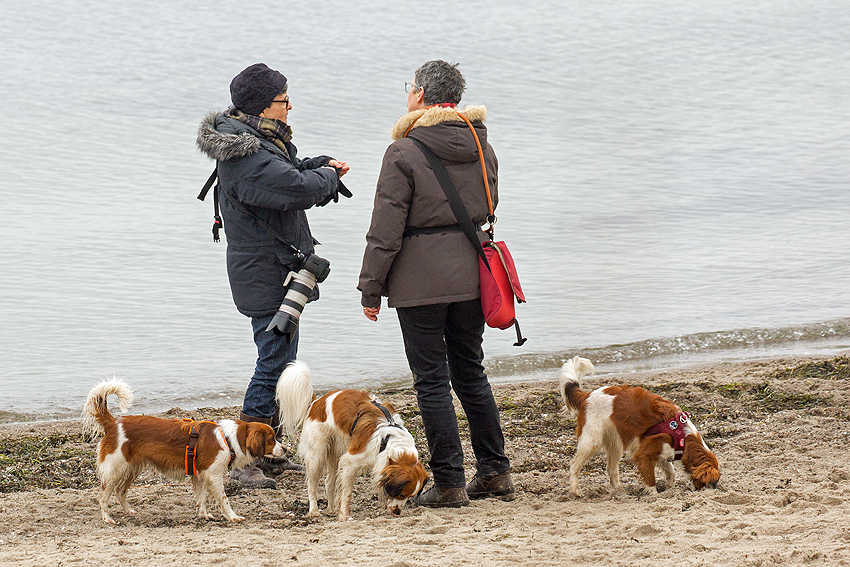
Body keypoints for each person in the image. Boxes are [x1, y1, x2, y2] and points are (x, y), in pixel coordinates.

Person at [358, 60, 514, 507]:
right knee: (470, 371)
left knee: (431, 381)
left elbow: (385, 227)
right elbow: (490, 203)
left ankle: (449, 483)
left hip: (419, 281)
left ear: (421, 95)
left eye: (410, 87)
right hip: (472, 274)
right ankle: (495, 471)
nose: (407, 93)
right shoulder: (482, 145)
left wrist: (371, 288)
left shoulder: (403, 151)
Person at [197, 63, 350, 488]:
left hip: (271, 268)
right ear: (265, 105)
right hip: (265, 273)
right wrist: (327, 176)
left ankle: (269, 447)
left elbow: (291, 173)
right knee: (273, 361)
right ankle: (246, 459)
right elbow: (293, 189)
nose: (289, 107)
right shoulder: (246, 153)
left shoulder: (256, 141)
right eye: (284, 100)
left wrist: (320, 165)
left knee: (281, 360)